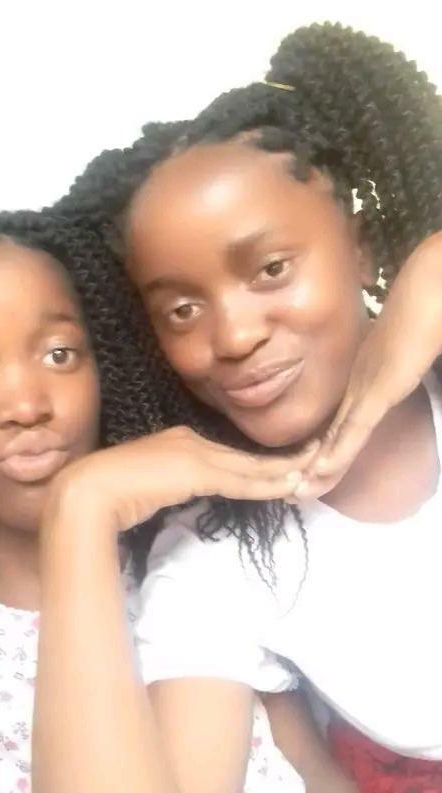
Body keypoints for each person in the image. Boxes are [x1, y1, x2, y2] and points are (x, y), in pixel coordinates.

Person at [52, 21, 442, 793]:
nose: (232, 337)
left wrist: (427, 273)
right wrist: (79, 510)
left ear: (362, 247)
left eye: (269, 269)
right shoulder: (215, 557)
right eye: (181, 310)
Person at [0, 212, 313, 792]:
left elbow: (313, 769)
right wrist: (82, 510)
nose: (26, 406)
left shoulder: (192, 554)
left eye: (60, 354)